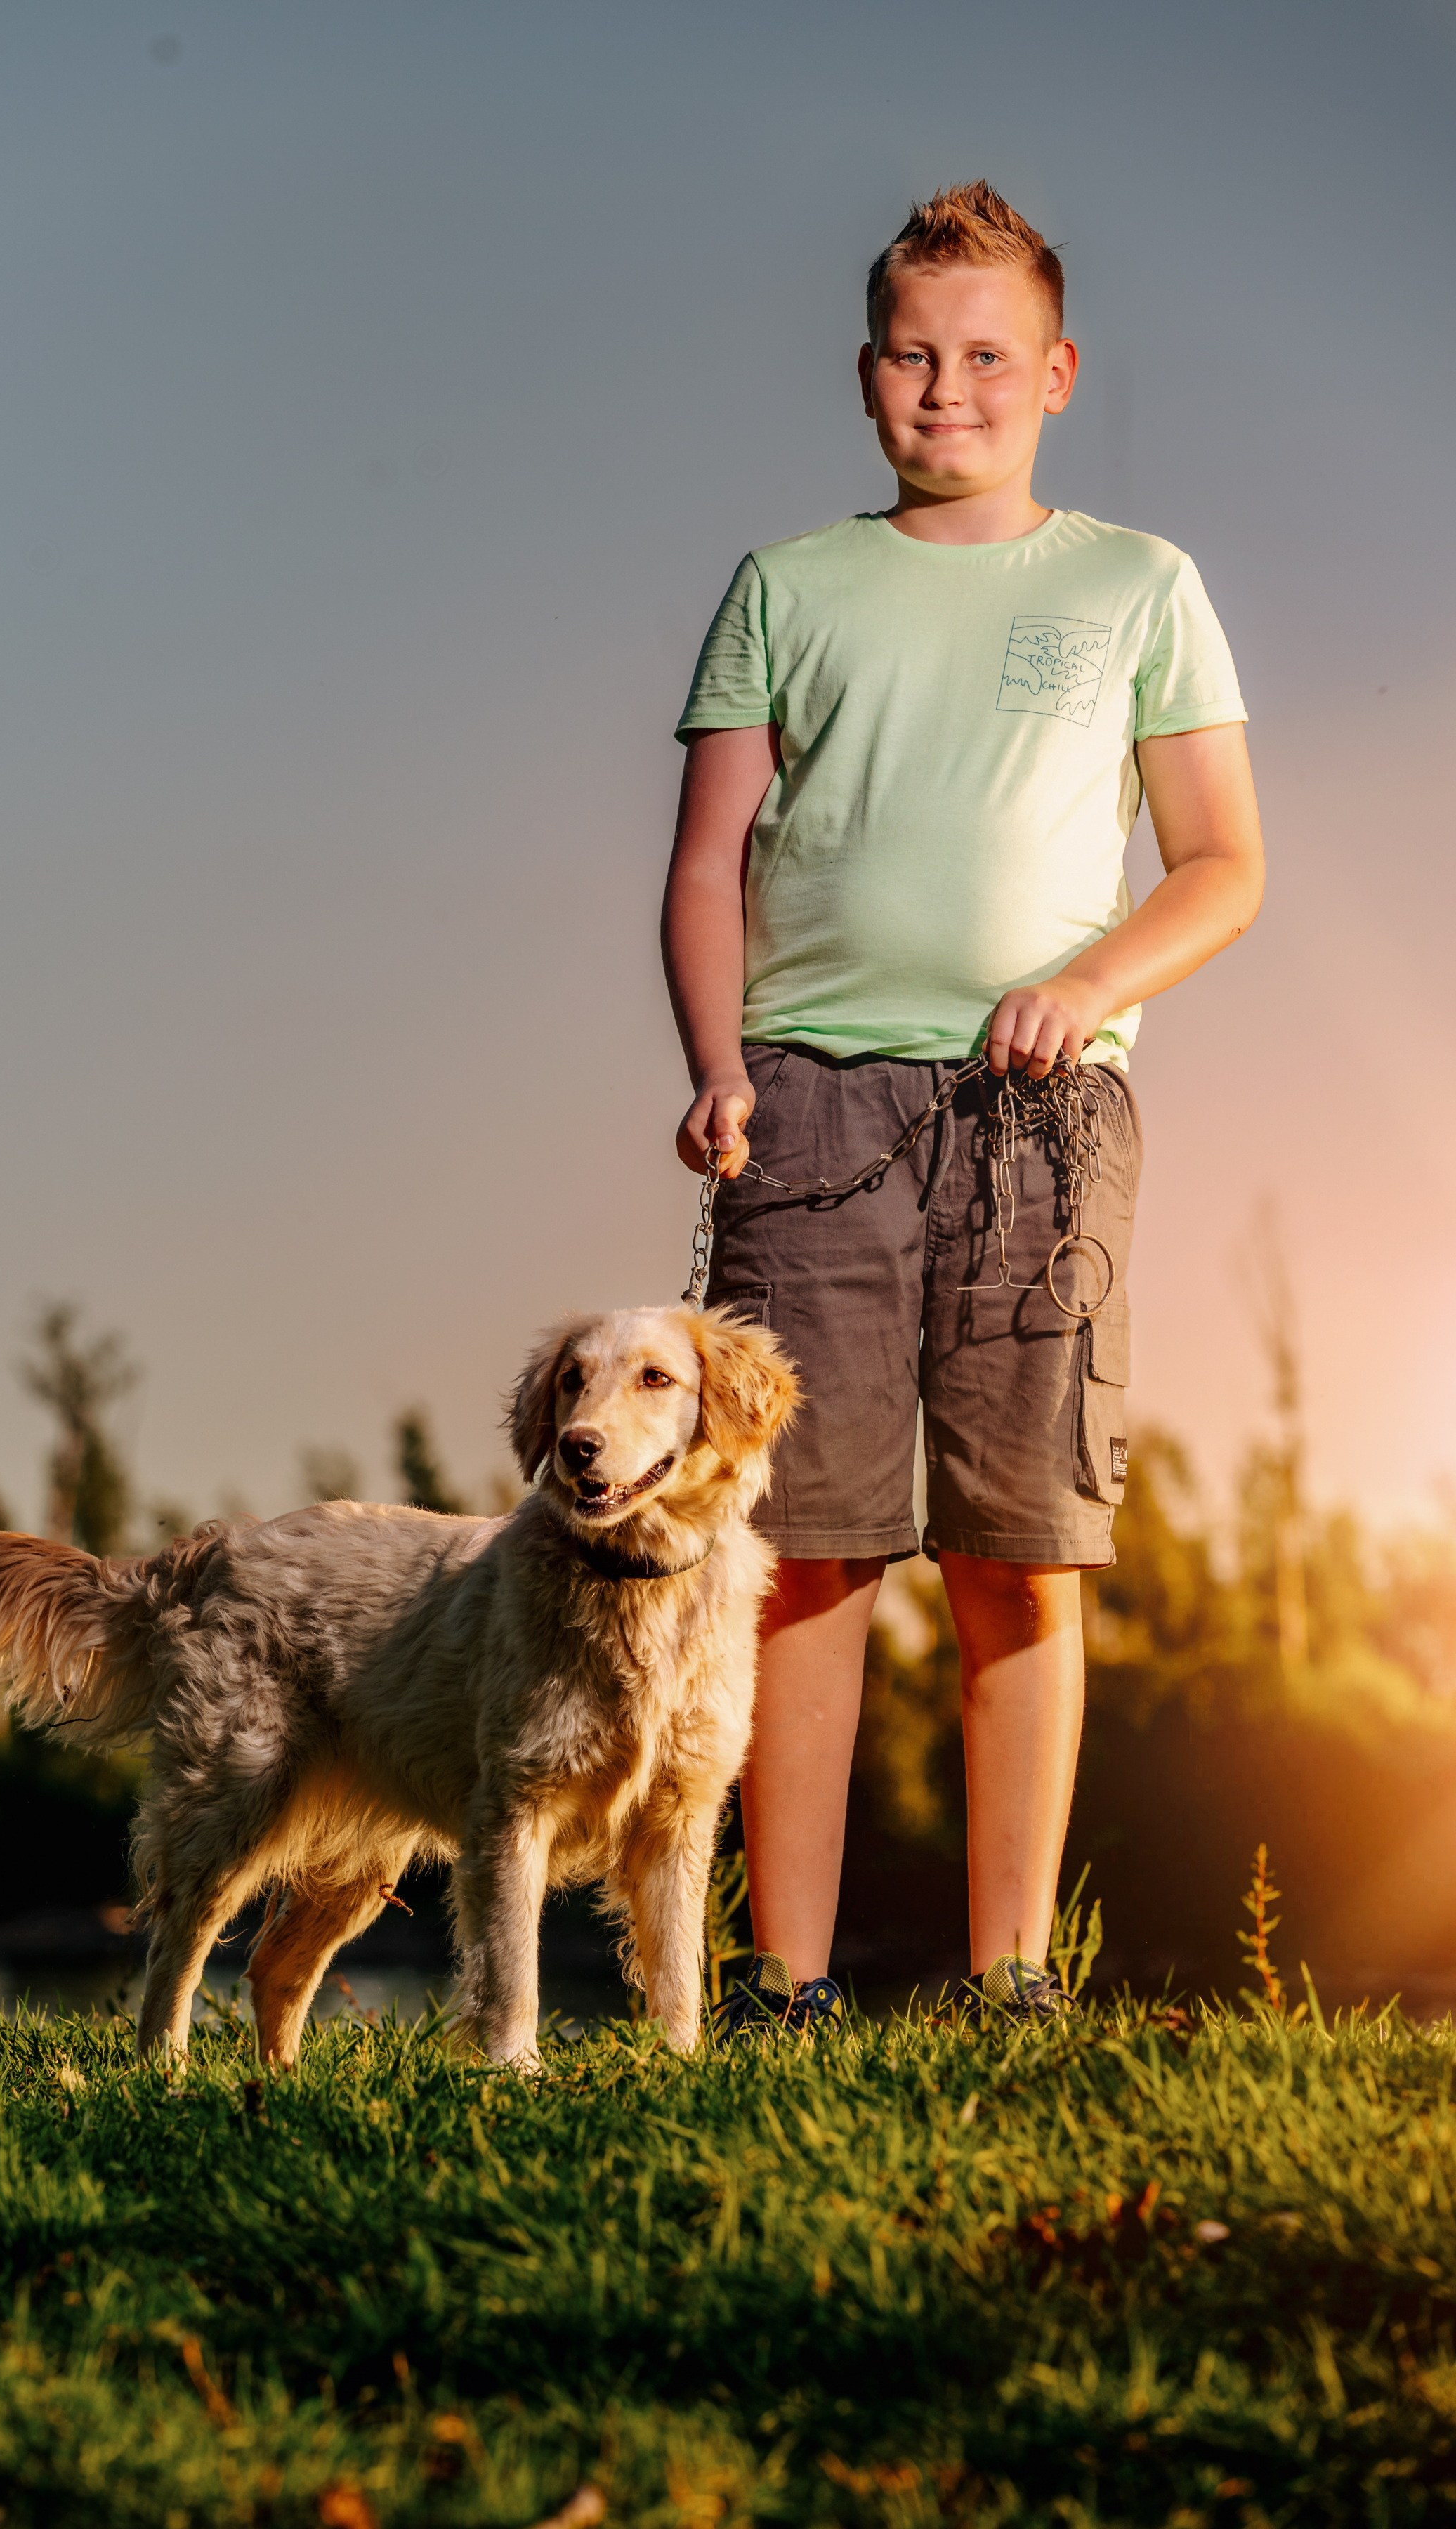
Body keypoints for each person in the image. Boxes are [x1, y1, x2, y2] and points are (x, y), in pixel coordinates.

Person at [662, 181, 1264, 2030]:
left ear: (1057, 373)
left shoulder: (1136, 584)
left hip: (1043, 1122)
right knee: (809, 1550)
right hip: (812, 1117)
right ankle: (792, 1978)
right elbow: (707, 865)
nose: (952, 388)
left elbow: (1224, 864)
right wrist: (715, 1064)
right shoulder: (786, 587)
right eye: (916, 357)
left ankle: (1012, 1978)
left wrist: (1087, 986)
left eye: (988, 355)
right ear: (867, 380)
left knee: (1021, 1546)